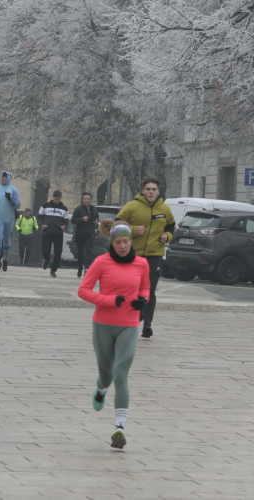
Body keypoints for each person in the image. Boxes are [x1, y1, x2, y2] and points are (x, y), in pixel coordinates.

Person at [78, 219, 150, 450]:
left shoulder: (142, 264)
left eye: (125, 242)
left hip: (129, 325)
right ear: (112, 242)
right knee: (107, 375)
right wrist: (109, 300)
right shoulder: (101, 262)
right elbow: (83, 291)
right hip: (103, 325)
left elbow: (145, 288)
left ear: (131, 242)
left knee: (121, 374)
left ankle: (120, 427)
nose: (122, 246)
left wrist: (143, 300)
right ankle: (100, 390)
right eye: (118, 242)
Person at [116, 176, 175, 339]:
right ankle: (130, 319)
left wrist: (167, 236)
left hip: (155, 255)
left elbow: (171, 226)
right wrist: (133, 230)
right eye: (148, 189)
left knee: (150, 291)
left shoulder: (165, 209)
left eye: (154, 189)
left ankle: (147, 325)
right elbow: (117, 225)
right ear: (143, 190)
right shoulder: (131, 207)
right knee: (132, 289)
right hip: (134, 255)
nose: (151, 192)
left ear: (158, 191)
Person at [0, 171, 21, 271]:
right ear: (1, 178)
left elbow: (18, 204)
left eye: (6, 177)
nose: (4, 179)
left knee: (6, 239)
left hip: (9, 216)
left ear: (9, 178)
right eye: (3, 177)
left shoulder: (13, 190)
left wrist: (11, 200)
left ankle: (5, 259)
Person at [38, 190, 70, 277]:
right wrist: (42, 225)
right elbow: (39, 217)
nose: (57, 197)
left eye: (58, 196)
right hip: (47, 232)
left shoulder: (64, 209)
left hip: (58, 233)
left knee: (58, 252)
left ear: (61, 197)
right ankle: (47, 260)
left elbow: (66, 221)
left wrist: (64, 226)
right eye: (55, 196)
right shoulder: (45, 206)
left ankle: (53, 270)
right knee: (46, 250)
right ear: (52, 196)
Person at [71, 192, 99, 278]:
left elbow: (97, 217)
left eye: (88, 199)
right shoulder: (78, 209)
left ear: (91, 200)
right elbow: (73, 220)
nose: (87, 200)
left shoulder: (93, 208)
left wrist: (96, 221)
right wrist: (82, 219)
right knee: (80, 252)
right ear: (82, 200)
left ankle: (87, 268)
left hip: (90, 233)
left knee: (89, 251)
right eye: (85, 199)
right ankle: (80, 267)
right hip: (80, 234)